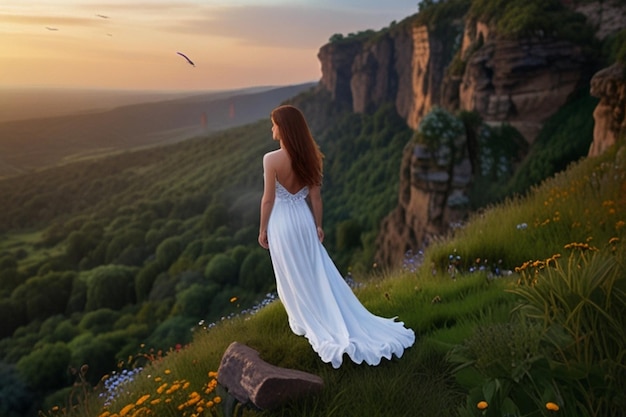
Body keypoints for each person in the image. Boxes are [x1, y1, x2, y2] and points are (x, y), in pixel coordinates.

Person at [258, 105, 415, 369]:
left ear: (283, 128)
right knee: (314, 269)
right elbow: (316, 198)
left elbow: (268, 199)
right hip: (304, 222)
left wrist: (262, 229)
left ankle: (305, 317)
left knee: (292, 272)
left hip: (282, 224)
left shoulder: (271, 159)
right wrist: (318, 226)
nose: (271, 128)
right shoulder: (312, 157)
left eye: (274, 124)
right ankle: (322, 313)